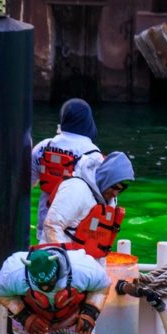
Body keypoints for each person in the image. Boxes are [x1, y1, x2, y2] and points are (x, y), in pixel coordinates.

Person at [0, 247, 111, 334]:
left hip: (75, 323)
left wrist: (90, 312)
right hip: (33, 330)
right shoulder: (13, 272)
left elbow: (102, 287)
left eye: (49, 282)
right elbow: (3, 293)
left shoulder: (83, 268)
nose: (45, 287)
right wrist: (25, 317)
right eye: (40, 284)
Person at [31, 98, 104, 241]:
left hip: (45, 233)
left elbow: (28, 184)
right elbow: (101, 200)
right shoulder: (93, 155)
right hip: (78, 237)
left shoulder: (43, 147)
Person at [42, 151, 135, 261]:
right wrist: (66, 262)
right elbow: (52, 226)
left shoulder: (110, 200)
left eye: (120, 190)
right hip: (60, 263)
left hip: (90, 266)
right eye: (114, 187)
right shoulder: (76, 189)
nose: (115, 193)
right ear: (105, 178)